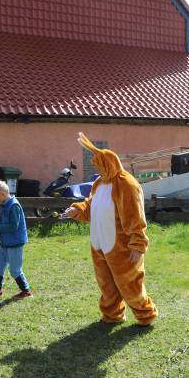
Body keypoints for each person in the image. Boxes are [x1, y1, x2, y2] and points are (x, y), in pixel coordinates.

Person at [64, 133, 157, 327]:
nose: (97, 169)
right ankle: (112, 314)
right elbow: (91, 206)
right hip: (99, 243)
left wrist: (137, 244)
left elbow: (135, 216)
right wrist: (77, 210)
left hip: (121, 246)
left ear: (109, 163)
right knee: (106, 284)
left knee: (129, 284)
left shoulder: (127, 184)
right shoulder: (99, 183)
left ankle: (145, 314)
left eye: (100, 165)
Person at [0, 180, 33, 299]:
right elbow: (2, 222)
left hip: (15, 242)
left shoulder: (14, 205)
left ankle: (26, 291)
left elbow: (13, 226)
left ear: (2, 195)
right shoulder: (5, 205)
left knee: (15, 270)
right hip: (5, 242)